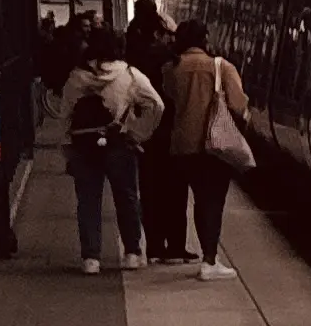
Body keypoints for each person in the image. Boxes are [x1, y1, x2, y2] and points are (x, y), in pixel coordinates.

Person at [55, 41, 160, 274]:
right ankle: (132, 252)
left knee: (88, 202)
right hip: (119, 144)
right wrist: (139, 132)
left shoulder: (75, 78)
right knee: (127, 198)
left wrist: (67, 147)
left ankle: (91, 259)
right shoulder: (130, 75)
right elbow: (156, 104)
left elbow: (65, 116)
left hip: (83, 147)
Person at [159, 28, 253, 278]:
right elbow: (239, 103)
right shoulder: (222, 67)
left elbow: (168, 98)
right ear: (205, 40)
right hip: (214, 145)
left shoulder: (171, 69)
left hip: (181, 144)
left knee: (197, 198)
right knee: (211, 202)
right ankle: (209, 260)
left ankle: (196, 253)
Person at [132, 18, 192, 264]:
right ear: (159, 33)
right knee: (176, 192)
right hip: (171, 133)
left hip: (147, 136)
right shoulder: (173, 61)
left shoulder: (135, 62)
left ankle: (154, 244)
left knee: (150, 191)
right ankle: (176, 244)